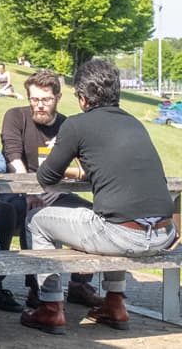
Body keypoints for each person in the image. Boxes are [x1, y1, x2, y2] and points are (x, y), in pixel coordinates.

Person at [21, 59, 177, 334]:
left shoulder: (77, 125)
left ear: (82, 98)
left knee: (36, 220)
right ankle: (114, 303)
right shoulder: (134, 123)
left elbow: (46, 178)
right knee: (110, 214)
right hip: (164, 234)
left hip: (123, 235)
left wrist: (63, 152)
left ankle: (50, 307)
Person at [0, 69, 102, 311]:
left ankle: (80, 283)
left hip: (57, 191)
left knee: (93, 213)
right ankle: (36, 288)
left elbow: (82, 166)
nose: (40, 105)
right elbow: (13, 156)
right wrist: (30, 189)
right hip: (19, 189)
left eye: (46, 100)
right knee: (28, 210)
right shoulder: (15, 117)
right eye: (34, 99)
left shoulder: (68, 125)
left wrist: (59, 188)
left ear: (58, 98)